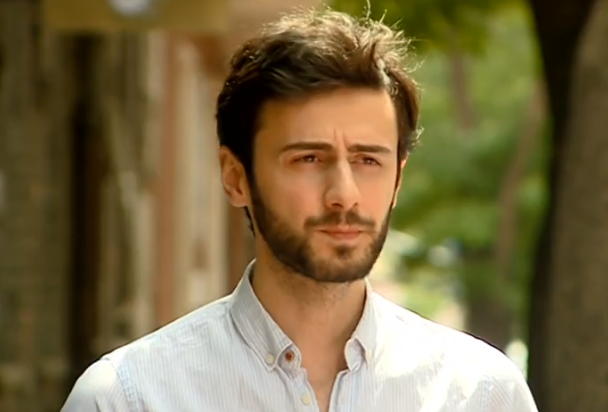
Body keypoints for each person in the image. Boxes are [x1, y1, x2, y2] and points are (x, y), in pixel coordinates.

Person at [61, 7, 538, 412]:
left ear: (397, 178)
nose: (344, 194)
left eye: (368, 160)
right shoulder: (130, 398)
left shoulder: (480, 394)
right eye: (308, 158)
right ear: (236, 177)